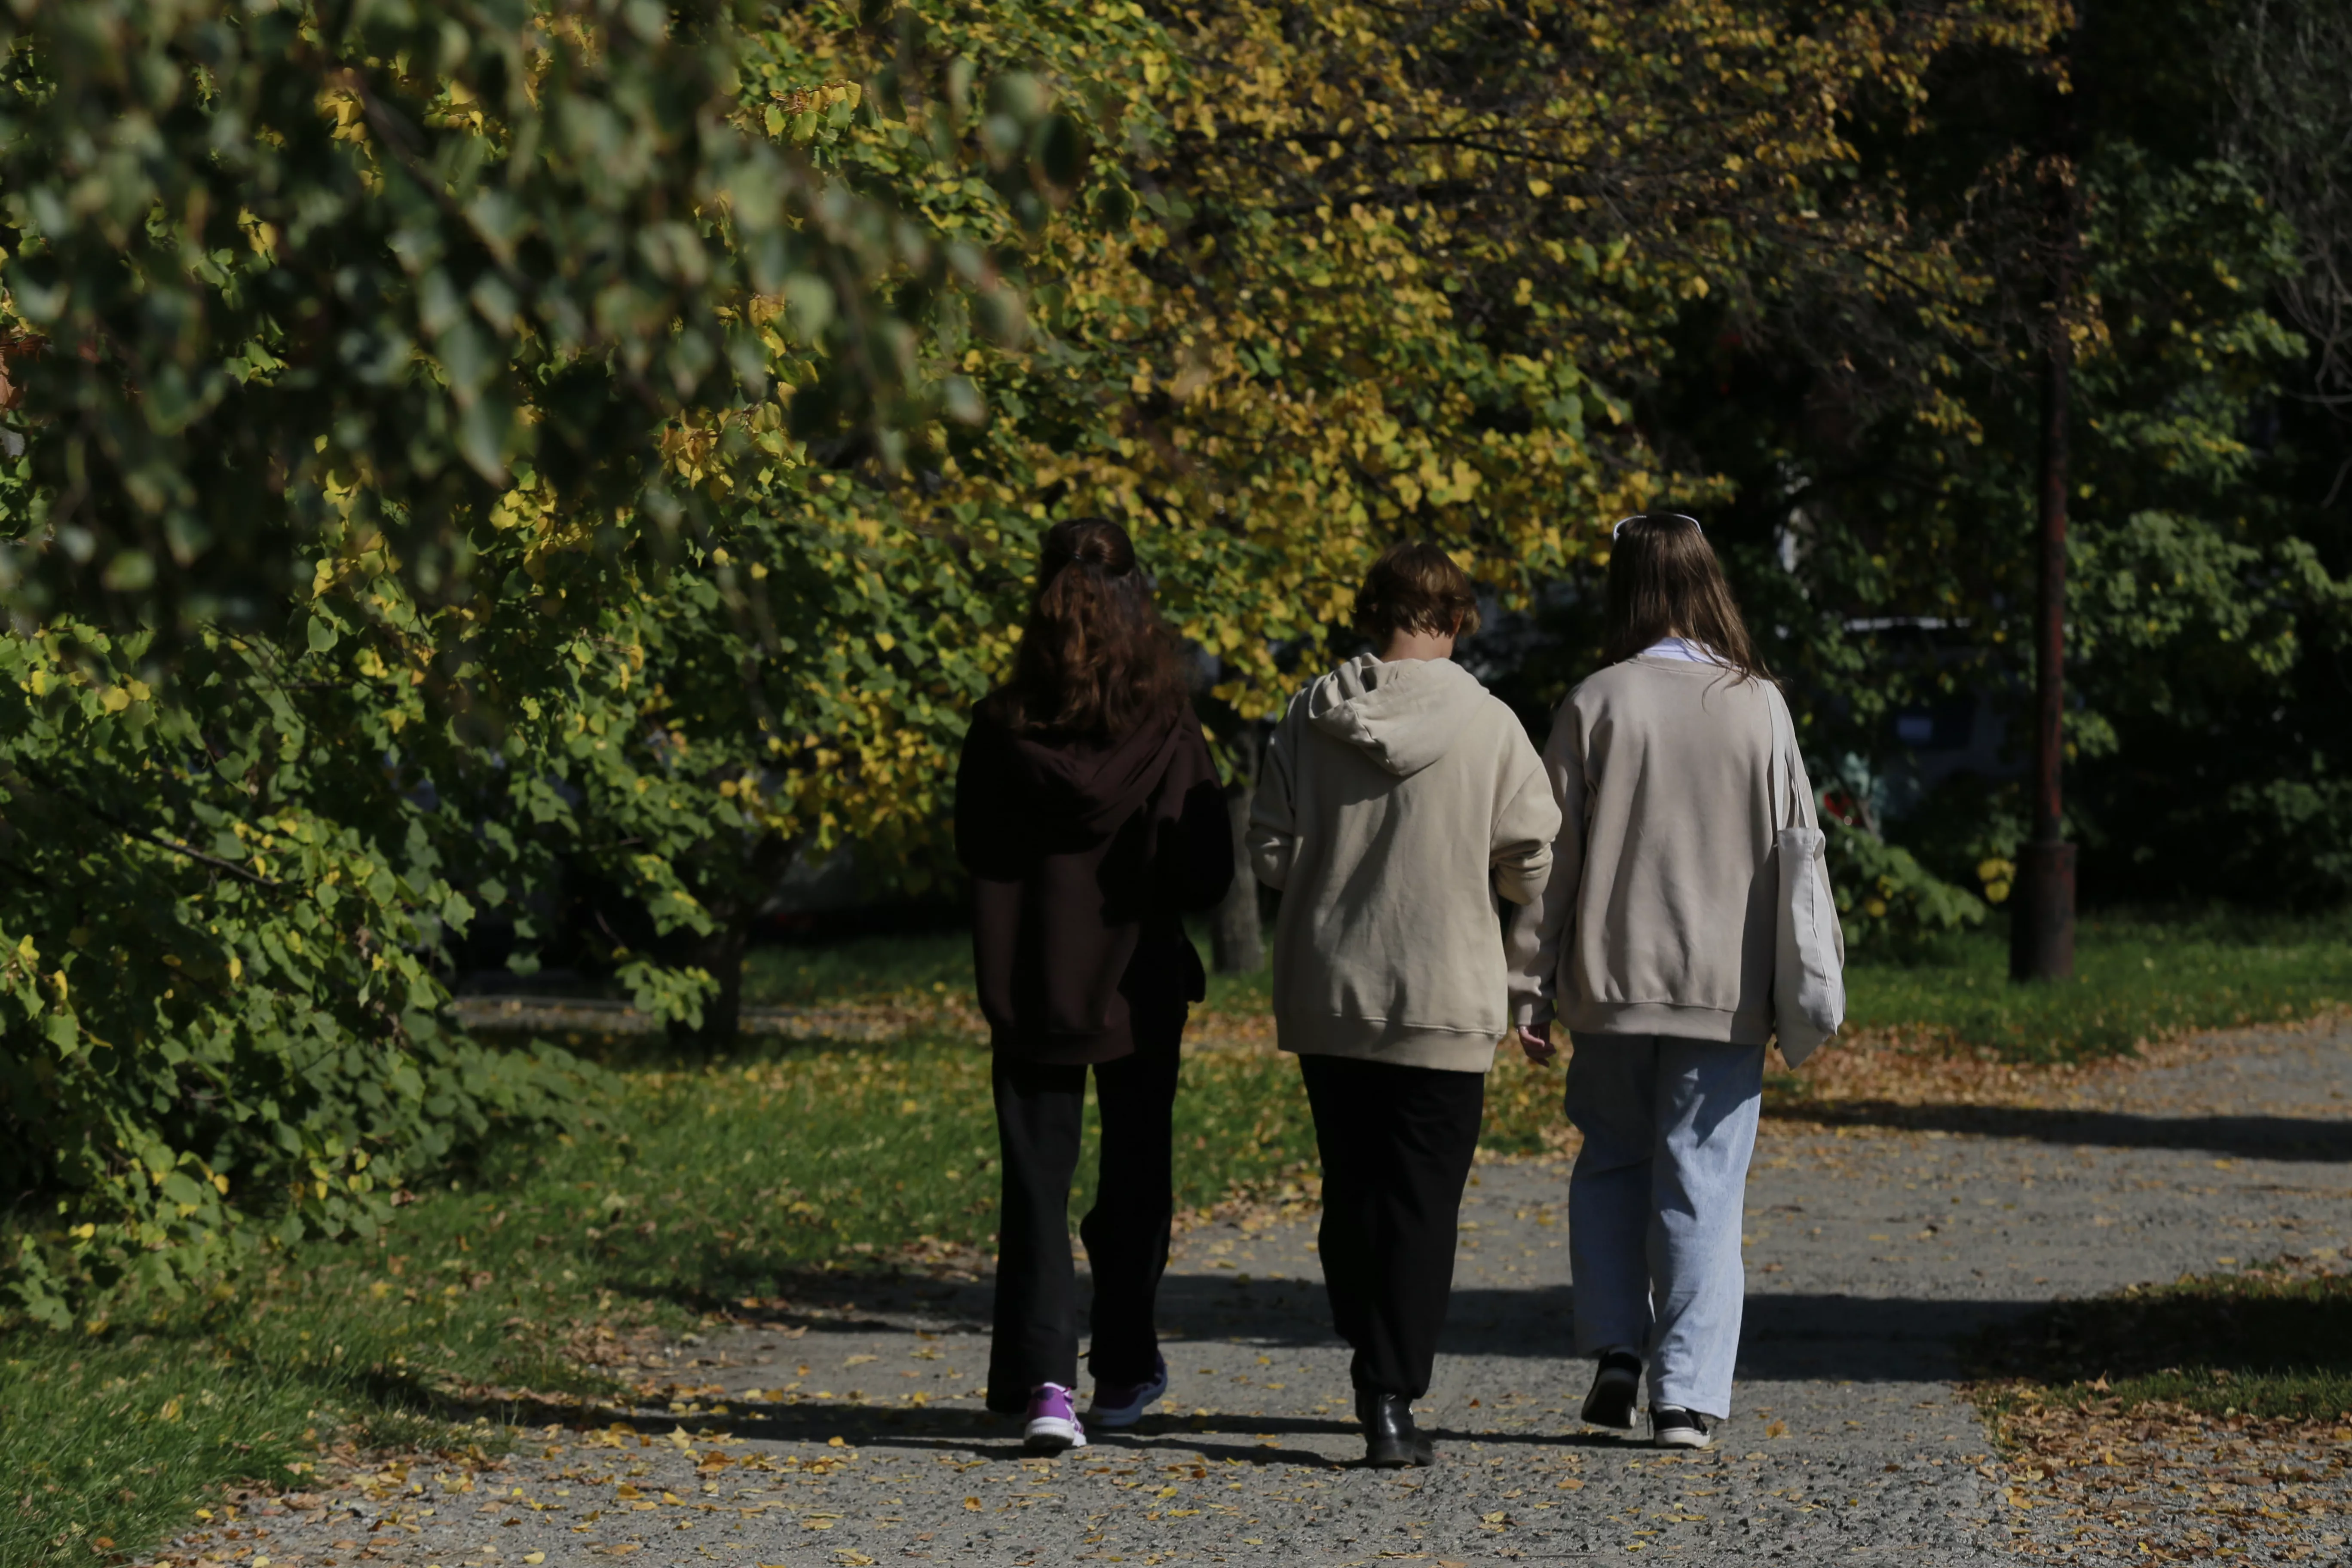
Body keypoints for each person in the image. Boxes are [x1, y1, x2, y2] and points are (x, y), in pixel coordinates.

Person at [1508, 511, 1841, 1451]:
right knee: (1703, 1184)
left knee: (1611, 1162)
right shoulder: (1758, 704)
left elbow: (1550, 864)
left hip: (1610, 984)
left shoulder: (1596, 701)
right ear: (1709, 585)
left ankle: (1617, 1345)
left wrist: (1527, 987)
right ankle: (1685, 1398)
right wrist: (1795, 987)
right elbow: (1797, 856)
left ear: (1625, 589)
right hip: (1723, 987)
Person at [1247, 541, 1561, 1467]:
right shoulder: (1494, 724)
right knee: (1423, 1205)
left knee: (1351, 1188)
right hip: (1445, 992)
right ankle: (1389, 1396)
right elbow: (1532, 859)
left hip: (1332, 986)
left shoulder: (1312, 713)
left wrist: (1333, 867)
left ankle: (1360, 1322)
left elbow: (1268, 852)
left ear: (1369, 613)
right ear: (1459, 617)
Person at [956, 517, 1234, 1455]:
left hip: (1032, 974)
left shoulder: (1000, 729)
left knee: (1036, 1183)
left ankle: (1044, 1381)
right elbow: (1204, 871)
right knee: (1135, 1174)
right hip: (1138, 978)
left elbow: (970, 848)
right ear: (1135, 605)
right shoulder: (1166, 727)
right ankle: (1121, 1369)